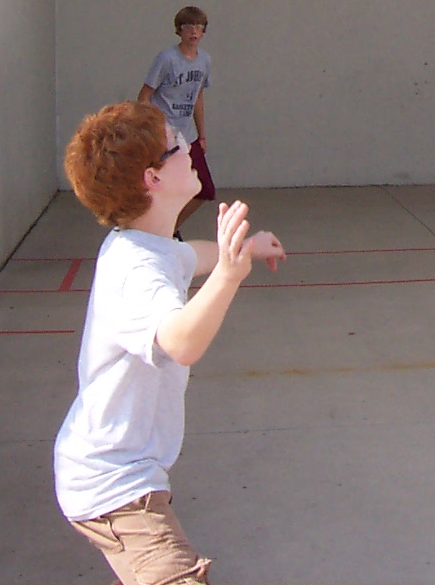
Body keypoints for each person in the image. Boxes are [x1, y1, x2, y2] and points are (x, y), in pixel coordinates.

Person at [55, 100, 285, 585]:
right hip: (113, 487)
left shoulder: (149, 246)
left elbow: (189, 257)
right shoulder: (136, 270)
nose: (190, 149)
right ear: (153, 179)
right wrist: (228, 275)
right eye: (178, 147)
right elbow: (179, 341)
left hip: (127, 474)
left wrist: (240, 249)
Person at [139, 5, 215, 232]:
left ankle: (169, 229)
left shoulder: (204, 61)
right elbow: (144, 97)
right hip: (164, 137)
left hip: (188, 136)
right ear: (179, 31)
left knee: (205, 190)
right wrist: (154, 131)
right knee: (157, 189)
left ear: (203, 32)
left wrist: (201, 134)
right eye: (188, 26)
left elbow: (198, 97)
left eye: (199, 27)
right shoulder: (166, 59)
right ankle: (153, 231)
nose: (193, 31)